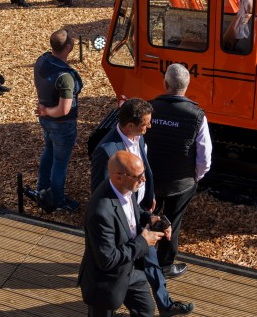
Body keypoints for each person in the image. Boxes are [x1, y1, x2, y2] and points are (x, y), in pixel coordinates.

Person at [89, 99, 195, 316]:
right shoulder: (106, 151)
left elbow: (143, 169)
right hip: (119, 222)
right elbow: (101, 192)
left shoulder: (137, 137)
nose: (149, 128)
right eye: (145, 124)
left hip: (137, 211)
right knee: (124, 267)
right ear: (130, 125)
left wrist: (148, 204)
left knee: (151, 258)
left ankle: (165, 305)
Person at [79, 151, 167, 317]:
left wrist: (150, 218)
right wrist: (143, 242)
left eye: (143, 174)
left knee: (146, 310)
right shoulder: (100, 212)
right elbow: (107, 259)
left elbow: (133, 213)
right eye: (138, 176)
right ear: (119, 177)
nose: (144, 179)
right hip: (105, 281)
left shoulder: (125, 188)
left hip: (131, 270)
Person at [146, 64, 212, 276]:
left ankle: (138, 259)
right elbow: (204, 156)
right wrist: (195, 178)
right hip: (180, 183)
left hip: (149, 181)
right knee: (172, 222)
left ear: (165, 84)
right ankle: (165, 265)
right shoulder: (197, 116)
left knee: (144, 218)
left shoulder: (148, 108)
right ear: (187, 86)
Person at [34, 28, 83, 212]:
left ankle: (42, 189)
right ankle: (58, 201)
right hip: (61, 124)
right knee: (60, 163)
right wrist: (47, 111)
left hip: (45, 121)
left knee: (48, 152)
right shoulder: (66, 77)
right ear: (69, 47)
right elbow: (64, 109)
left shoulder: (42, 60)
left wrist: (44, 109)